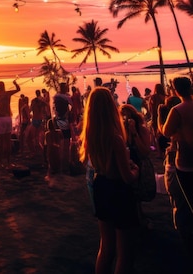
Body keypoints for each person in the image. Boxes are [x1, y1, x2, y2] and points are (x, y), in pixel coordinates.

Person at [79, 87, 139, 274]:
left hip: (100, 187)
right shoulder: (115, 138)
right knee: (125, 252)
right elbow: (127, 177)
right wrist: (135, 170)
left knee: (106, 247)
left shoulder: (90, 136)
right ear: (110, 108)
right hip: (118, 191)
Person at [159, 76, 193, 251]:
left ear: (176, 90)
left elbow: (166, 131)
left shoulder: (178, 110)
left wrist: (159, 115)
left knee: (186, 201)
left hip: (185, 162)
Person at [0, 79, 20, 169]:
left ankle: (0, 162)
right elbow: (18, 89)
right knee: (7, 141)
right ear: (4, 87)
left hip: (0, 119)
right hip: (8, 118)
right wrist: (15, 83)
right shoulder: (7, 94)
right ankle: (9, 163)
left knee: (0, 141)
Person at [53, 82, 72, 172]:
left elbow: (54, 108)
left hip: (57, 120)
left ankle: (59, 162)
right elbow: (73, 105)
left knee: (60, 140)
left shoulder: (56, 96)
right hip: (64, 119)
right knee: (66, 141)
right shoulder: (66, 97)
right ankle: (65, 163)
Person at [44, 117, 63, 187]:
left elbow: (47, 144)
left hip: (51, 151)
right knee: (58, 162)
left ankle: (50, 174)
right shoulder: (58, 133)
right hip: (57, 151)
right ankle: (58, 171)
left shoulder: (47, 134)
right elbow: (61, 141)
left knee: (50, 164)